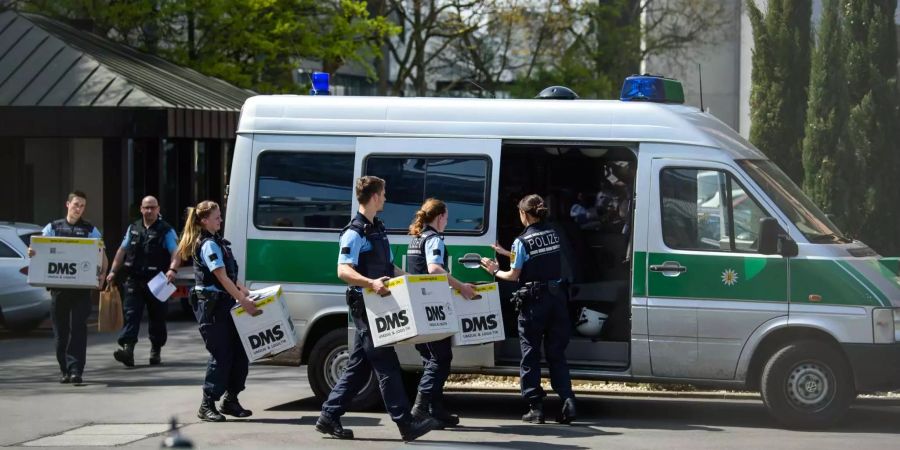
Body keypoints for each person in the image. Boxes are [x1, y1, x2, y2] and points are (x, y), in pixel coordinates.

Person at [316, 176, 440, 442]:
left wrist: (411, 281)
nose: (385, 198)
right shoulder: (355, 232)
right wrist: (371, 282)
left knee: (359, 367)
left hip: (378, 304)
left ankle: (329, 415)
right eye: (383, 193)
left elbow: (390, 268)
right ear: (374, 196)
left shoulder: (378, 228)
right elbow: (343, 270)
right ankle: (406, 424)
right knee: (387, 365)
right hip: (367, 307)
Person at [482, 194, 576, 425]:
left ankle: (536, 408)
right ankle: (568, 401)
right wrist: (507, 253)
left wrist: (494, 270)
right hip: (557, 300)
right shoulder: (552, 233)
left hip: (534, 303)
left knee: (530, 355)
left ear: (524, 214)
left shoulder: (521, 241)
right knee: (556, 354)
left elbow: (513, 275)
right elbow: (538, 258)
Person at [175, 200, 258, 422]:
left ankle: (231, 400)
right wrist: (243, 299)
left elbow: (229, 276)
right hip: (211, 306)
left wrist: (245, 291)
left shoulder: (218, 242)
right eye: (216, 216)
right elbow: (220, 277)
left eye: (220, 215)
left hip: (225, 304)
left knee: (240, 352)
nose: (221, 219)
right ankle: (207, 403)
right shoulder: (208, 244)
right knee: (221, 354)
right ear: (204, 221)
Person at [406, 199, 476, 428]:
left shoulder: (417, 238)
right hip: (430, 308)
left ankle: (436, 410)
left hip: (417, 304)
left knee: (430, 358)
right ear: (439, 217)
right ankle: (420, 407)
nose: (447, 221)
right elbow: (435, 268)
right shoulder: (434, 239)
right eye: (446, 216)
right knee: (440, 358)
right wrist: (462, 287)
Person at [28, 191, 108, 385]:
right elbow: (38, 249)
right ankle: (64, 369)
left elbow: (102, 254)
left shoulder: (90, 230)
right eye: (76, 204)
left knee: (78, 330)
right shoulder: (53, 227)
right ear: (68, 204)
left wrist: (103, 275)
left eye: (82, 206)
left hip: (81, 291)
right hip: (59, 290)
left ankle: (76, 371)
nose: (78, 209)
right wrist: (31, 252)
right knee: (61, 334)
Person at [106, 196, 180, 367]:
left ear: (158, 209)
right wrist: (112, 272)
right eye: (146, 207)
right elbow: (122, 250)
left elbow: (176, 252)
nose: (149, 211)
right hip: (134, 279)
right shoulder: (133, 228)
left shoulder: (166, 230)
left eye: (152, 207)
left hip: (158, 281)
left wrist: (172, 269)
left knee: (158, 317)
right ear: (141, 209)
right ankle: (128, 350)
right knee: (131, 315)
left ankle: (156, 349)